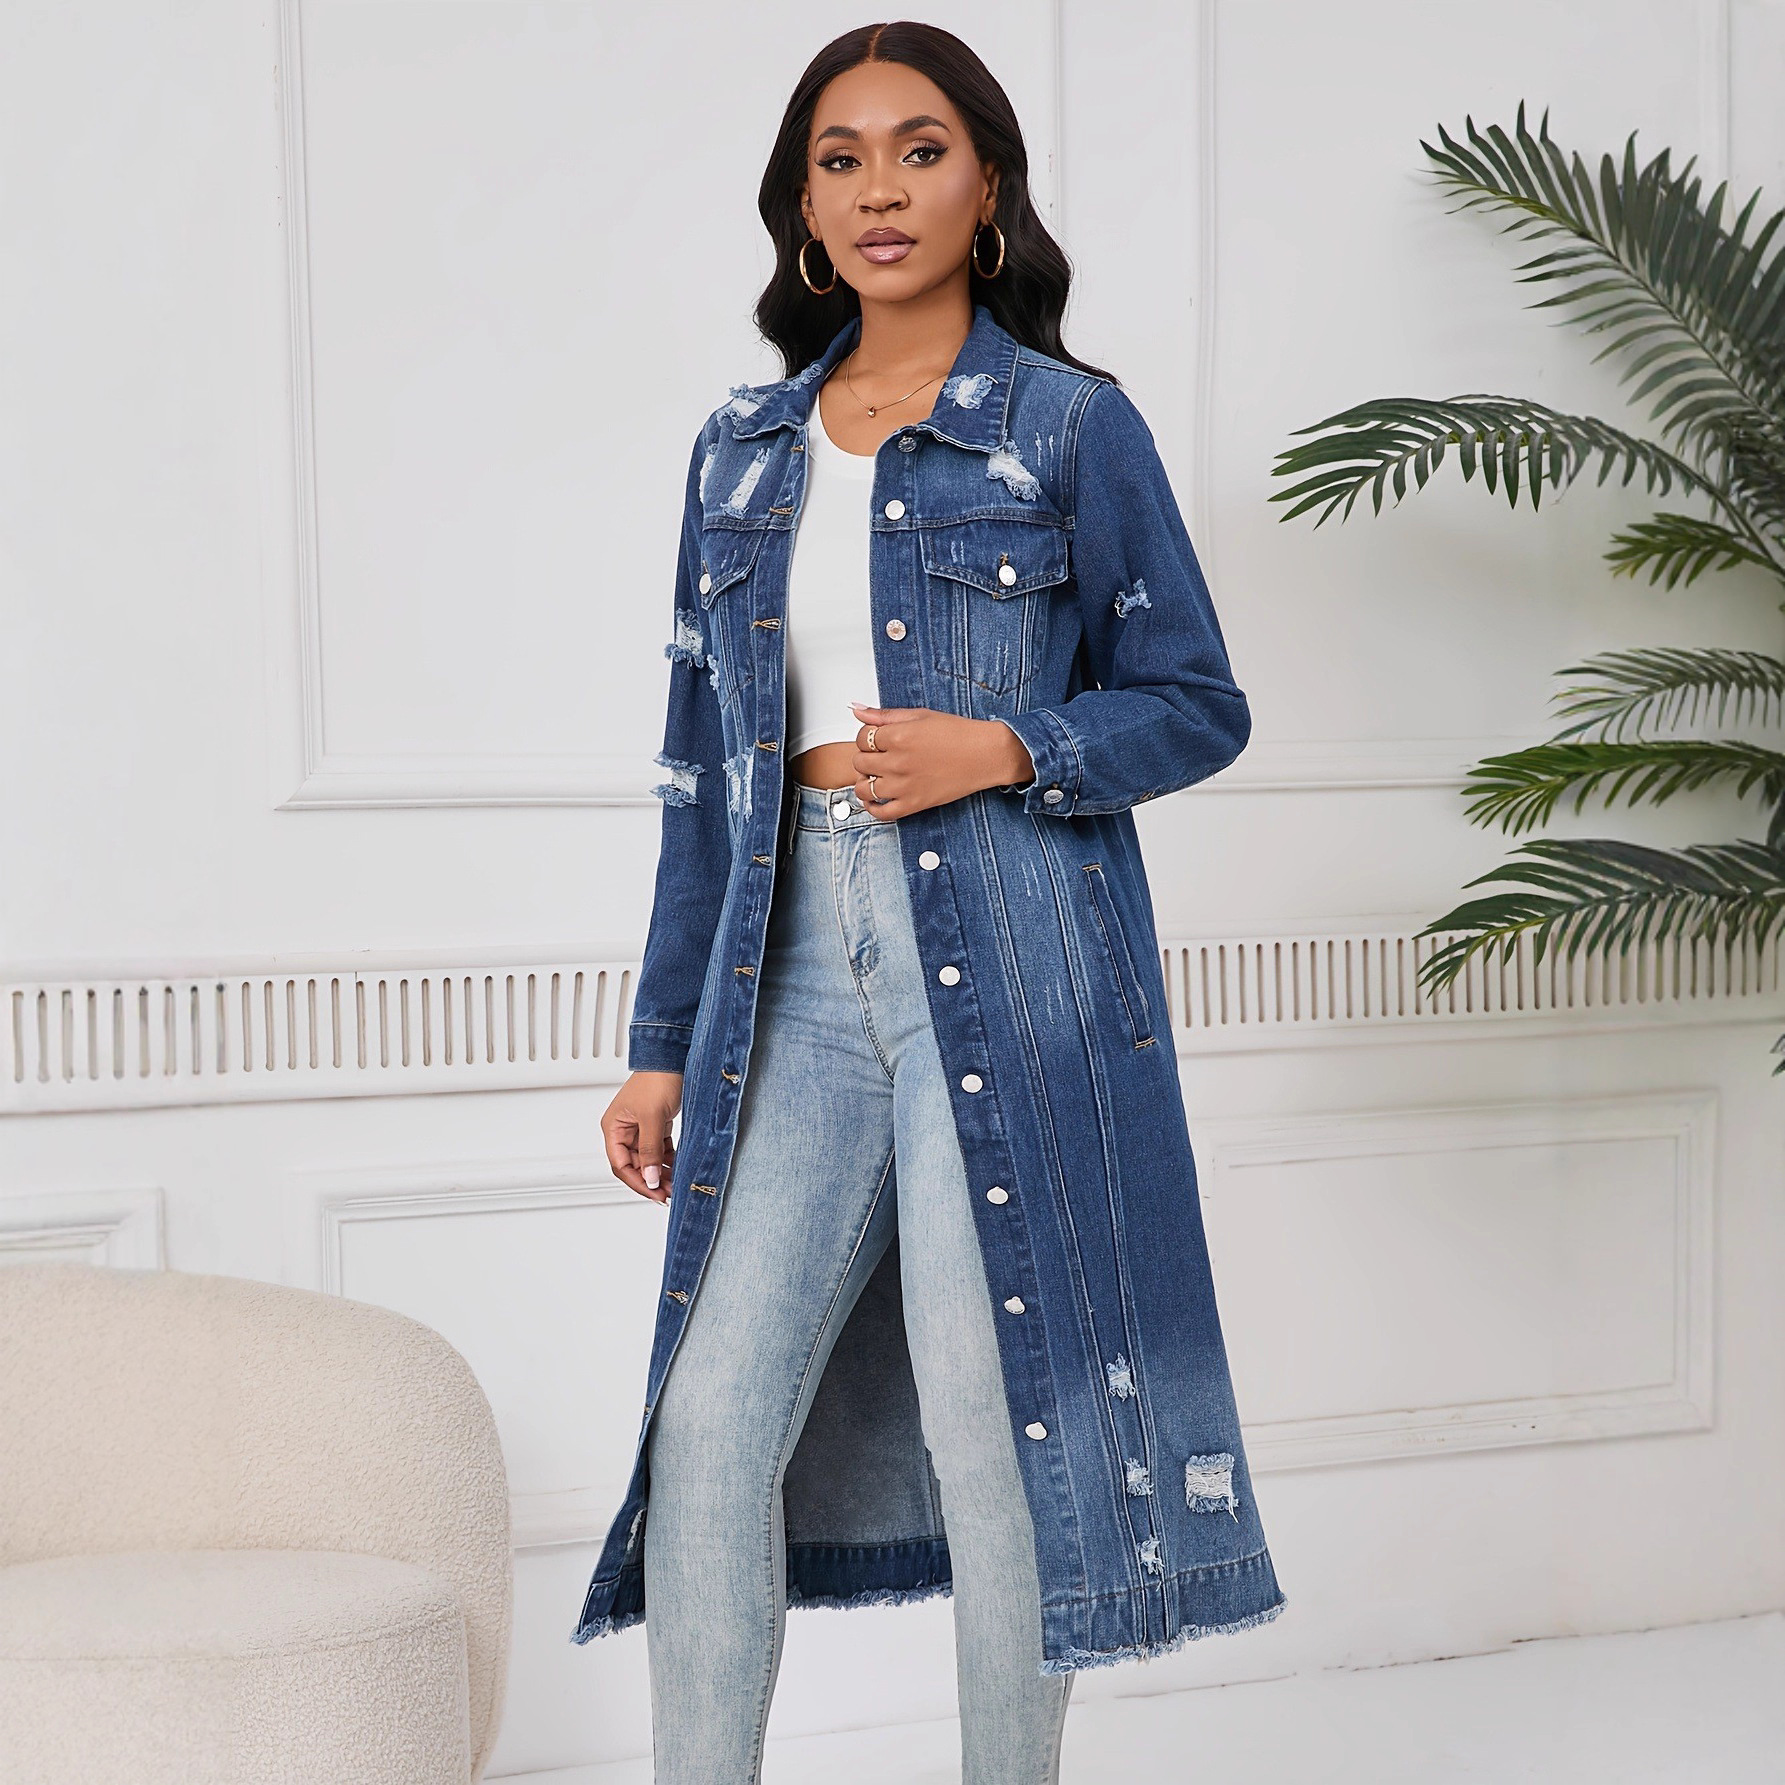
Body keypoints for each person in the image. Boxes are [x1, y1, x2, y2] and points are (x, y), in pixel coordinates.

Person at [573, 21, 1285, 1783]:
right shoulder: (740, 450)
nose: (879, 189)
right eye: (841, 159)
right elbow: (701, 774)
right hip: (791, 973)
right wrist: (659, 1042)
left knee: (995, 1424)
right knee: (711, 1423)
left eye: (919, 150)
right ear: (803, 210)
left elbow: (1195, 703)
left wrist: (1009, 745)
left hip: (1016, 956)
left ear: (986, 191)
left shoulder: (1067, 426)